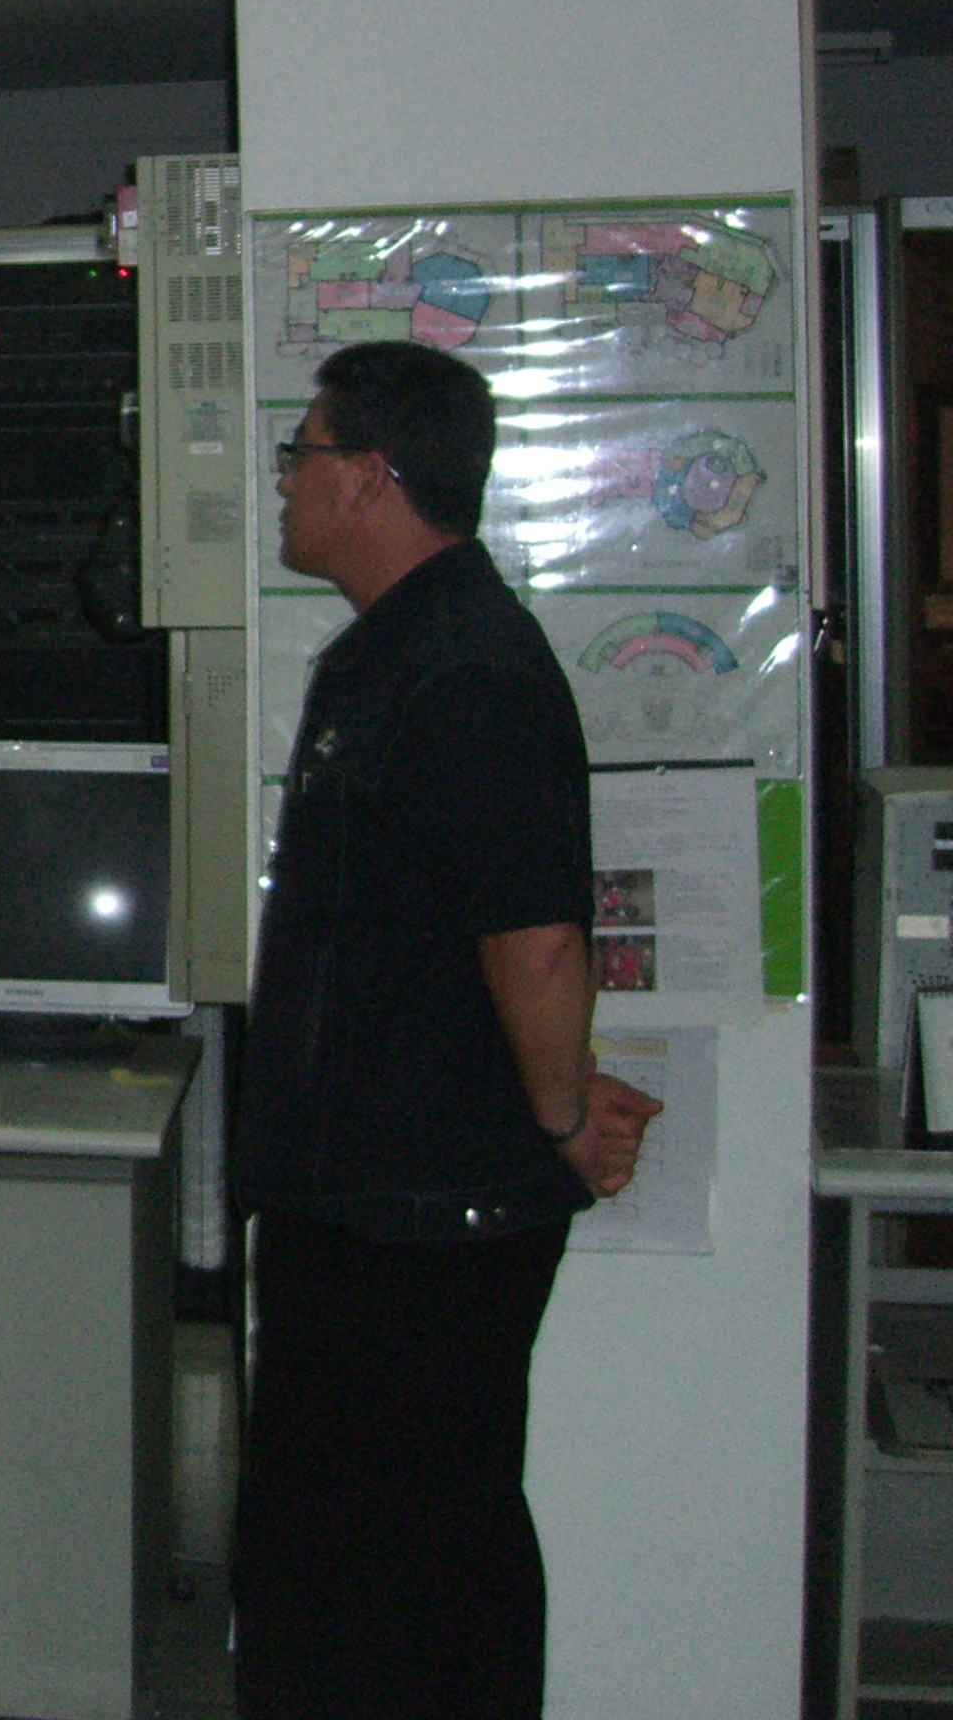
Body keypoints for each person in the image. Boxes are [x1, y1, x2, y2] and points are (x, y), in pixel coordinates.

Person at [232, 339, 662, 1720]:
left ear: (370, 477)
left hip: (423, 1224)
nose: (285, 480)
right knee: (337, 1567)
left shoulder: (466, 665)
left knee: (410, 1576)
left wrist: (561, 1116)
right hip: (358, 1206)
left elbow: (536, 940)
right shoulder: (392, 652)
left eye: (302, 453)